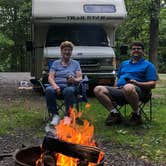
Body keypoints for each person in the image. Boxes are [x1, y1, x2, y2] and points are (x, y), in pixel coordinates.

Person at [94, 41, 157, 126]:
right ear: (131, 51)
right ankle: (115, 114)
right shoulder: (124, 64)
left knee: (128, 87)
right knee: (98, 89)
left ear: (143, 51)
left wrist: (137, 83)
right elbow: (118, 78)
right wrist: (115, 87)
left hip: (139, 91)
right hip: (120, 90)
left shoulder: (148, 65)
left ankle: (136, 115)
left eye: (139, 49)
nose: (136, 50)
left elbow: (153, 84)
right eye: (134, 49)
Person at [45, 41, 82, 125]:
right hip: (57, 86)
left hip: (70, 86)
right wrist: (55, 86)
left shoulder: (75, 64)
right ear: (61, 51)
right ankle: (55, 115)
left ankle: (67, 116)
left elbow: (80, 77)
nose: (67, 52)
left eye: (69, 50)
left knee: (68, 90)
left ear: (71, 52)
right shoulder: (55, 63)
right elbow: (50, 78)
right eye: (65, 50)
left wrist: (74, 79)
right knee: (49, 90)